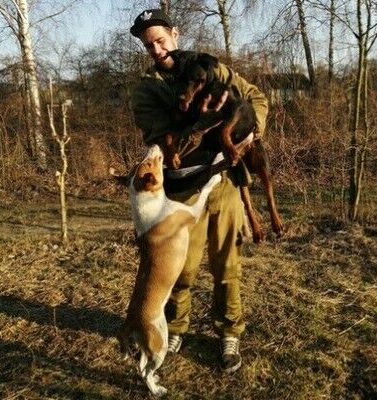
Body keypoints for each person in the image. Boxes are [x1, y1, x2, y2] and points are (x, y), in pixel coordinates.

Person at [129, 8, 268, 373]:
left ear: (175, 33)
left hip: (224, 182)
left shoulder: (210, 68)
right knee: (182, 269)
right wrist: (201, 122)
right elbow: (165, 141)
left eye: (160, 41)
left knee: (227, 265)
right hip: (183, 192)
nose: (156, 50)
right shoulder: (147, 90)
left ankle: (229, 333)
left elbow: (255, 98)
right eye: (149, 46)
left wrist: (250, 131)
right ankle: (176, 328)